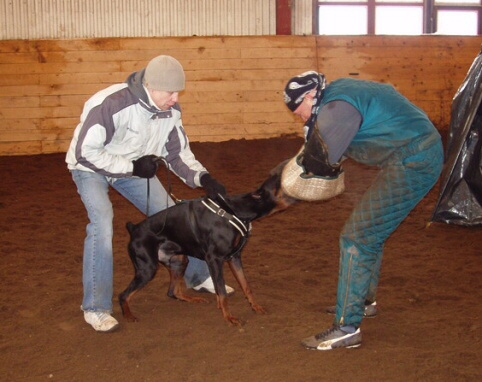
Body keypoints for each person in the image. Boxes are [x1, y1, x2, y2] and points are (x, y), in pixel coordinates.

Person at [66, 55, 233, 333]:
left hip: (133, 169)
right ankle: (96, 307)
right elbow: (86, 152)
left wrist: (203, 177)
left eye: (177, 92)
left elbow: (177, 154)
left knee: (172, 216)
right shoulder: (111, 104)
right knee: (102, 224)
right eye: (170, 92)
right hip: (90, 167)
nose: (175, 98)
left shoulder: (170, 110)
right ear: (150, 86)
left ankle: (198, 275)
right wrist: (132, 165)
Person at [283, 71, 443, 350]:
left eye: (301, 112)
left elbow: (318, 165)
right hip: (413, 152)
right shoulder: (338, 94)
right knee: (370, 231)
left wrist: (283, 184)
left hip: (414, 160)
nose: (302, 118)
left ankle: (346, 327)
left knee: (357, 236)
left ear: (310, 97)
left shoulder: (336, 111)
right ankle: (362, 301)